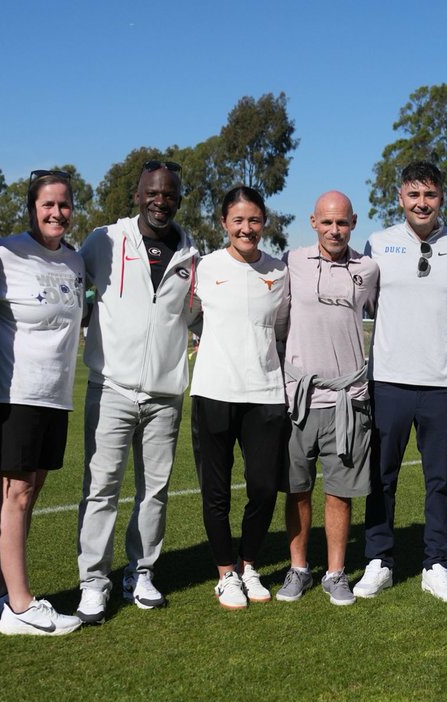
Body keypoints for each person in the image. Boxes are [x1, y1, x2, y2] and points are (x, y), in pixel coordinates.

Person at [75, 161, 200, 623]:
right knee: (101, 488)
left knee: (155, 491)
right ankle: (93, 583)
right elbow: (71, 280)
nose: (159, 201)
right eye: (152, 193)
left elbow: (196, 315)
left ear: (178, 200)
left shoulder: (191, 255)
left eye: (168, 195)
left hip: (165, 395)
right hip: (111, 387)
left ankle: (140, 573)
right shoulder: (104, 240)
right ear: (137, 195)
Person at [355, 161, 447, 602]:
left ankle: (436, 564)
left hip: (441, 385)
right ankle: (378, 561)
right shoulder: (377, 244)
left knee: (439, 480)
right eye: (413, 194)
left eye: (429, 195)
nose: (421, 203)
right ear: (400, 198)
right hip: (387, 381)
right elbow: (358, 303)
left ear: (441, 197)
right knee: (380, 478)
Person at [0, 170, 85, 636]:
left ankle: (1, 593)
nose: (57, 213)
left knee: (28, 493)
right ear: (31, 208)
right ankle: (21, 609)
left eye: (64, 205)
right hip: (12, 394)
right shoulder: (1, 255)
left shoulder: (76, 262)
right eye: (48, 205)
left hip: (55, 396)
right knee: (15, 493)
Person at [189, 186, 290, 610]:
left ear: (264, 222)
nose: (246, 228)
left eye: (254, 220)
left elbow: (281, 329)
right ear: (224, 223)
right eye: (238, 220)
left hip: (266, 393)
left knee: (264, 488)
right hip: (214, 390)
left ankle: (249, 565)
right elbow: (187, 316)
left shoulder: (280, 271)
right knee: (216, 492)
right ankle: (225, 574)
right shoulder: (205, 267)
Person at [277, 191, 379, 606]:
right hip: (299, 399)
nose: (334, 230)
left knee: (340, 492)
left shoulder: (368, 268)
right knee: (297, 489)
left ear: (353, 222)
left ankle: (336, 573)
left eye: (342, 222)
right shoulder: (292, 261)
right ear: (313, 222)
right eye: (327, 222)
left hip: (348, 400)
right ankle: (299, 569)